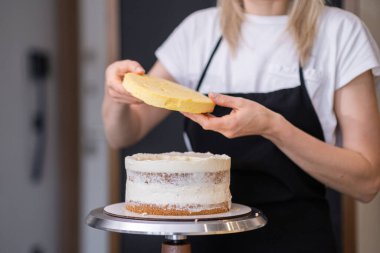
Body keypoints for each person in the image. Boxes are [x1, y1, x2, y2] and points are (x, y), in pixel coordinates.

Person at [103, 0, 380, 252]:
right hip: (203, 244)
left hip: (299, 240)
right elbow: (123, 133)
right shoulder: (199, 30)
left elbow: (366, 182)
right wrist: (118, 93)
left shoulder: (341, 32)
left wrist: (273, 127)